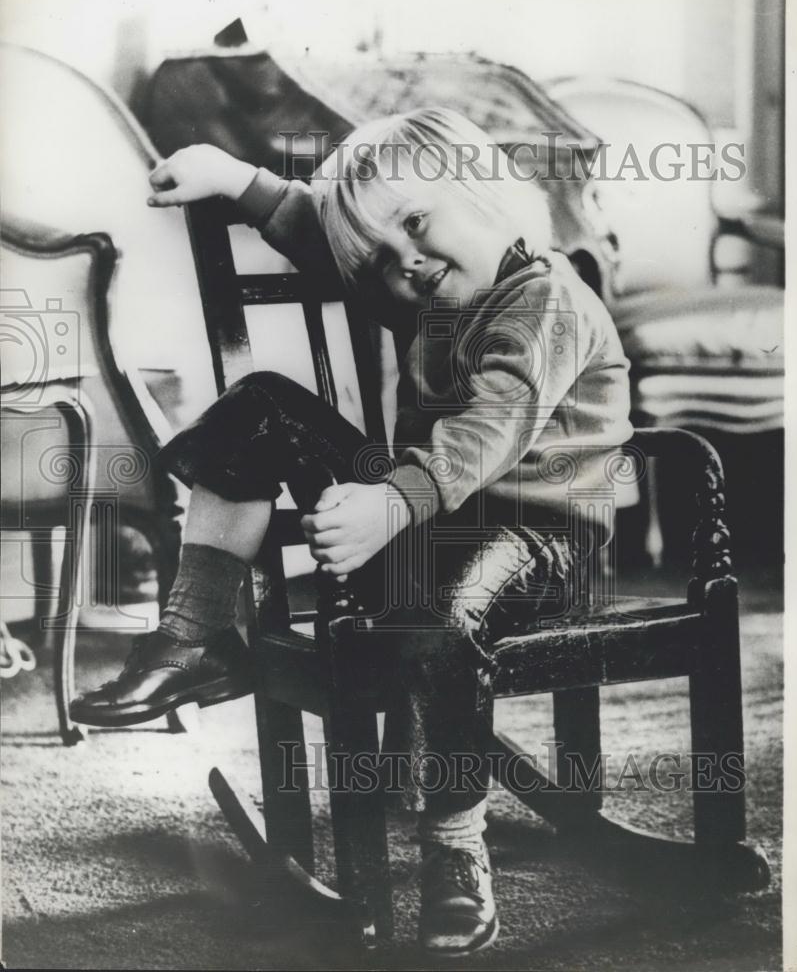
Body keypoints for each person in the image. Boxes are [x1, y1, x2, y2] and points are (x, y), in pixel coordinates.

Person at [71, 107, 634, 956]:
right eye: (381, 258)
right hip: (427, 522)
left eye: (417, 222)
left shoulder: (545, 300)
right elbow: (323, 233)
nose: (404, 263)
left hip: (544, 539)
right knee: (262, 404)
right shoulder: (429, 286)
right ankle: (198, 632)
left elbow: (493, 425)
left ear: (483, 195)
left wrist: (391, 502)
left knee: (449, 612)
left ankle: (455, 847)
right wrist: (235, 179)